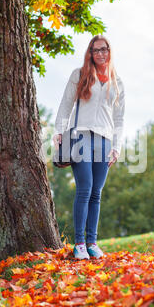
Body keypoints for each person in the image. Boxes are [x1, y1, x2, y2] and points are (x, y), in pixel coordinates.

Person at [53, 35, 125, 259]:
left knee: (96, 193)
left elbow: (119, 119)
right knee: (84, 189)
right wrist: (58, 130)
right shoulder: (80, 74)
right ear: (90, 53)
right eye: (96, 50)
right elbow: (66, 104)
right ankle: (80, 244)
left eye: (104, 49)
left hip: (104, 140)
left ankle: (92, 242)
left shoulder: (117, 82)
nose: (101, 53)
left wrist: (117, 147)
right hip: (80, 137)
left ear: (109, 52)